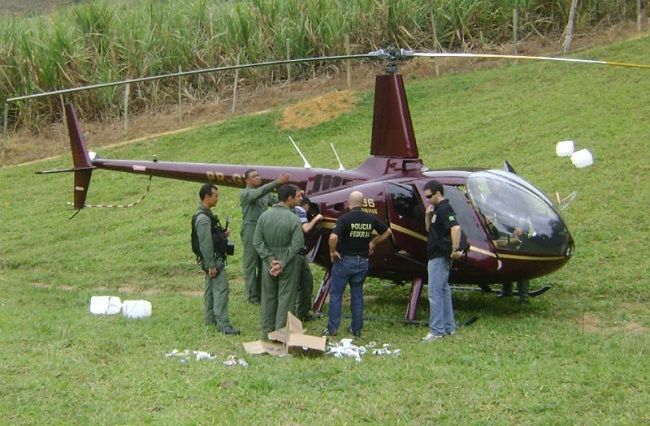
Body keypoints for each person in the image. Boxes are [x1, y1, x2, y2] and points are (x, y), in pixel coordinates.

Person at [324, 191, 392, 339]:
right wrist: (373, 242)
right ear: (362, 203)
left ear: (349, 202)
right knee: (357, 295)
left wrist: (332, 252)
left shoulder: (344, 219)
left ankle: (332, 328)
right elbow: (388, 231)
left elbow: (334, 236)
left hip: (345, 261)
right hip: (362, 262)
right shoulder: (370, 218)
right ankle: (356, 329)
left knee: (336, 294)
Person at [253, 184, 304, 340]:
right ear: (289, 199)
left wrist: (269, 260)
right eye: (297, 196)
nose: (299, 199)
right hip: (287, 262)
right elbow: (297, 244)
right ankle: (280, 334)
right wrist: (282, 262)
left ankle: (266, 332)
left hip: (268, 262)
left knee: (268, 297)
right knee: (286, 298)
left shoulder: (264, 216)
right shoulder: (293, 218)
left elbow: (257, 241)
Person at [194, 184, 239, 335]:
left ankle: (210, 319)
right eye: (215, 196)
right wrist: (211, 265)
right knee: (221, 290)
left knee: (210, 290)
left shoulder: (206, 215)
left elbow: (211, 238)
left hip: (211, 259)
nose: (217, 198)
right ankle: (223, 324)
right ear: (207, 197)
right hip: (213, 260)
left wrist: (222, 236)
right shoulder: (203, 219)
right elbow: (205, 243)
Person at [240, 169, 291, 304]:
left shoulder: (263, 194)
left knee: (264, 261)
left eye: (258, 175)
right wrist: (276, 182)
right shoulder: (246, 193)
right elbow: (257, 194)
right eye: (253, 176)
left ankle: (262, 293)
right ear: (247, 181)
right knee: (251, 264)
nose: (257, 178)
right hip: (251, 230)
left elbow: (277, 202)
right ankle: (252, 296)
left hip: (263, 230)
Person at [421, 180, 462, 342]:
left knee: (434, 293)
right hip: (437, 255)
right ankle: (449, 326)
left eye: (429, 196)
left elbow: (456, 227)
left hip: (439, 256)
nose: (428, 199)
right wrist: (427, 214)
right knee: (444, 290)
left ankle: (437, 330)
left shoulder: (445, 208)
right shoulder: (436, 210)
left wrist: (455, 249)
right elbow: (428, 230)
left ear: (438, 193)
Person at [294, 194, 323, 322]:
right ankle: (301, 313)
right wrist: (316, 219)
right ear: (306, 206)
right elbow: (306, 228)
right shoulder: (300, 210)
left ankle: (301, 312)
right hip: (297, 254)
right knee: (305, 282)